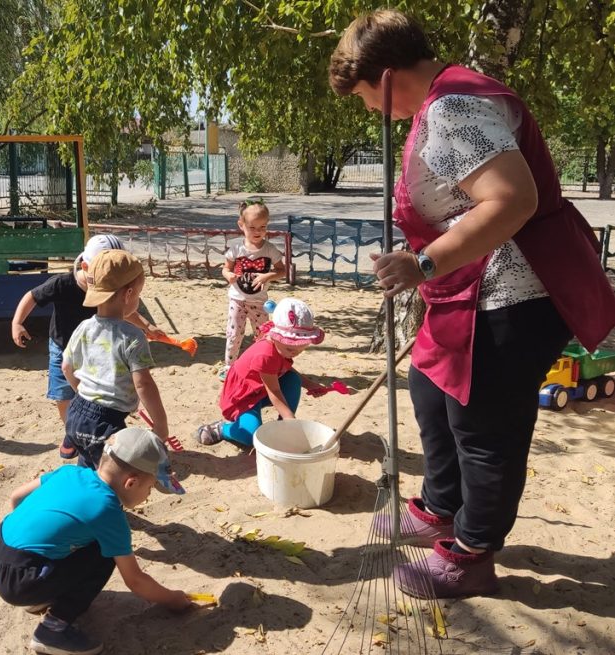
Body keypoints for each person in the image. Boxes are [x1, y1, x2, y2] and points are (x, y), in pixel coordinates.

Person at [329, 9, 615, 599]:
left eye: (364, 97)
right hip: (469, 289)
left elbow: (512, 199)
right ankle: (440, 506)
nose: (369, 112)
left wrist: (423, 263)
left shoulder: (452, 107)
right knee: (433, 392)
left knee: (484, 427)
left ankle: (471, 553)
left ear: (384, 77)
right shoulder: (439, 101)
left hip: (515, 293)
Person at [0, 427, 192, 655]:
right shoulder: (107, 511)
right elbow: (134, 580)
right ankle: (52, 629)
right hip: (22, 580)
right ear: (131, 483)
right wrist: (173, 599)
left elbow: (16, 497)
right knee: (105, 554)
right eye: (151, 487)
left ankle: (42, 594)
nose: (148, 495)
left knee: (82, 540)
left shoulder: (70, 473)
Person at [10, 234, 164, 427]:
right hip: (63, 345)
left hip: (95, 347)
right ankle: (70, 427)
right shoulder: (62, 283)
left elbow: (123, 310)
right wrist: (17, 322)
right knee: (64, 393)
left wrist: (147, 326)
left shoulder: (110, 286)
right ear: (85, 267)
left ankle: (84, 423)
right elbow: (32, 296)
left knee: (92, 391)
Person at [62, 250, 169, 469]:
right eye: (139, 294)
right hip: (106, 421)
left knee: (88, 466)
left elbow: (66, 367)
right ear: (128, 294)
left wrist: (83, 393)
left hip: (76, 412)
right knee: (113, 475)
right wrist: (160, 425)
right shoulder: (132, 336)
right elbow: (144, 384)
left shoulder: (84, 327)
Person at [195, 297, 330, 448]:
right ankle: (223, 429)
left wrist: (310, 384)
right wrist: (290, 419)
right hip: (244, 395)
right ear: (275, 337)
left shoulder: (280, 348)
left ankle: (283, 427)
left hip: (261, 389)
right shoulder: (265, 354)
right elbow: (274, 390)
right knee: (250, 435)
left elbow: (284, 368)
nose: (295, 353)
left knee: (292, 379)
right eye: (291, 348)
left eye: (301, 347)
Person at [219, 199, 286, 380]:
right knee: (234, 334)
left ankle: (263, 366)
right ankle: (229, 367)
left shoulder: (270, 250)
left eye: (262, 227)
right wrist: (228, 276)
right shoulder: (236, 248)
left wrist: (267, 276)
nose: (258, 232)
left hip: (259, 302)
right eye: (252, 227)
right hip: (237, 299)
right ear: (241, 225)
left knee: (263, 335)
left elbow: (283, 270)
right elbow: (225, 268)